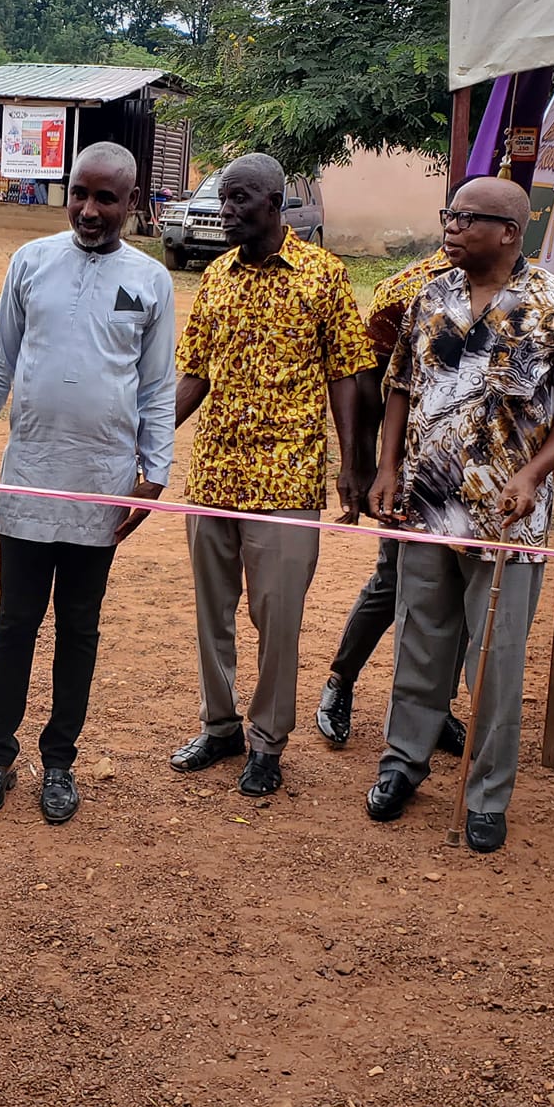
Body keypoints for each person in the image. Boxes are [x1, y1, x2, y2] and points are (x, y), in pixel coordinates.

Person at [365, 177, 554, 852]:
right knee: (419, 638)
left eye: (468, 218)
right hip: (427, 504)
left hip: (508, 514)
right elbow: (401, 387)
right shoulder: (429, 297)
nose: (451, 226)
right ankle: (402, 764)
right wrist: (387, 468)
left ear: (509, 232)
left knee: (494, 659)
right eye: (450, 214)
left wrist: (534, 472)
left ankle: (487, 794)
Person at [0, 143, 176, 823]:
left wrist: (154, 474)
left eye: (107, 198)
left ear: (132, 203)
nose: (88, 209)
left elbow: (157, 384)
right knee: (15, 621)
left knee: (79, 625)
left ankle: (59, 762)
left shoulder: (151, 279)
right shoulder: (33, 262)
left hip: (102, 483)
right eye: (80, 192)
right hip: (30, 474)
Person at [169, 153, 376, 797]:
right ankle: (222, 723)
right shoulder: (217, 278)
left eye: (238, 200)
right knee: (213, 613)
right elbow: (194, 374)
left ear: (274, 203)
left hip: (287, 476)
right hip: (214, 473)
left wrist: (353, 462)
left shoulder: (324, 277)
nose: (225, 209)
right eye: (222, 198)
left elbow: (349, 372)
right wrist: (146, 440)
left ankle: (268, 739)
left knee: (278, 615)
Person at [314, 245, 469, 757]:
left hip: (487, 484)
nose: (460, 227)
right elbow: (369, 382)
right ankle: (341, 682)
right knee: (393, 580)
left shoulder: (530, 292)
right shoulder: (406, 290)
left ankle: (437, 705)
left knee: (469, 590)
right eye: (457, 216)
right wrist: (363, 464)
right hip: (414, 472)